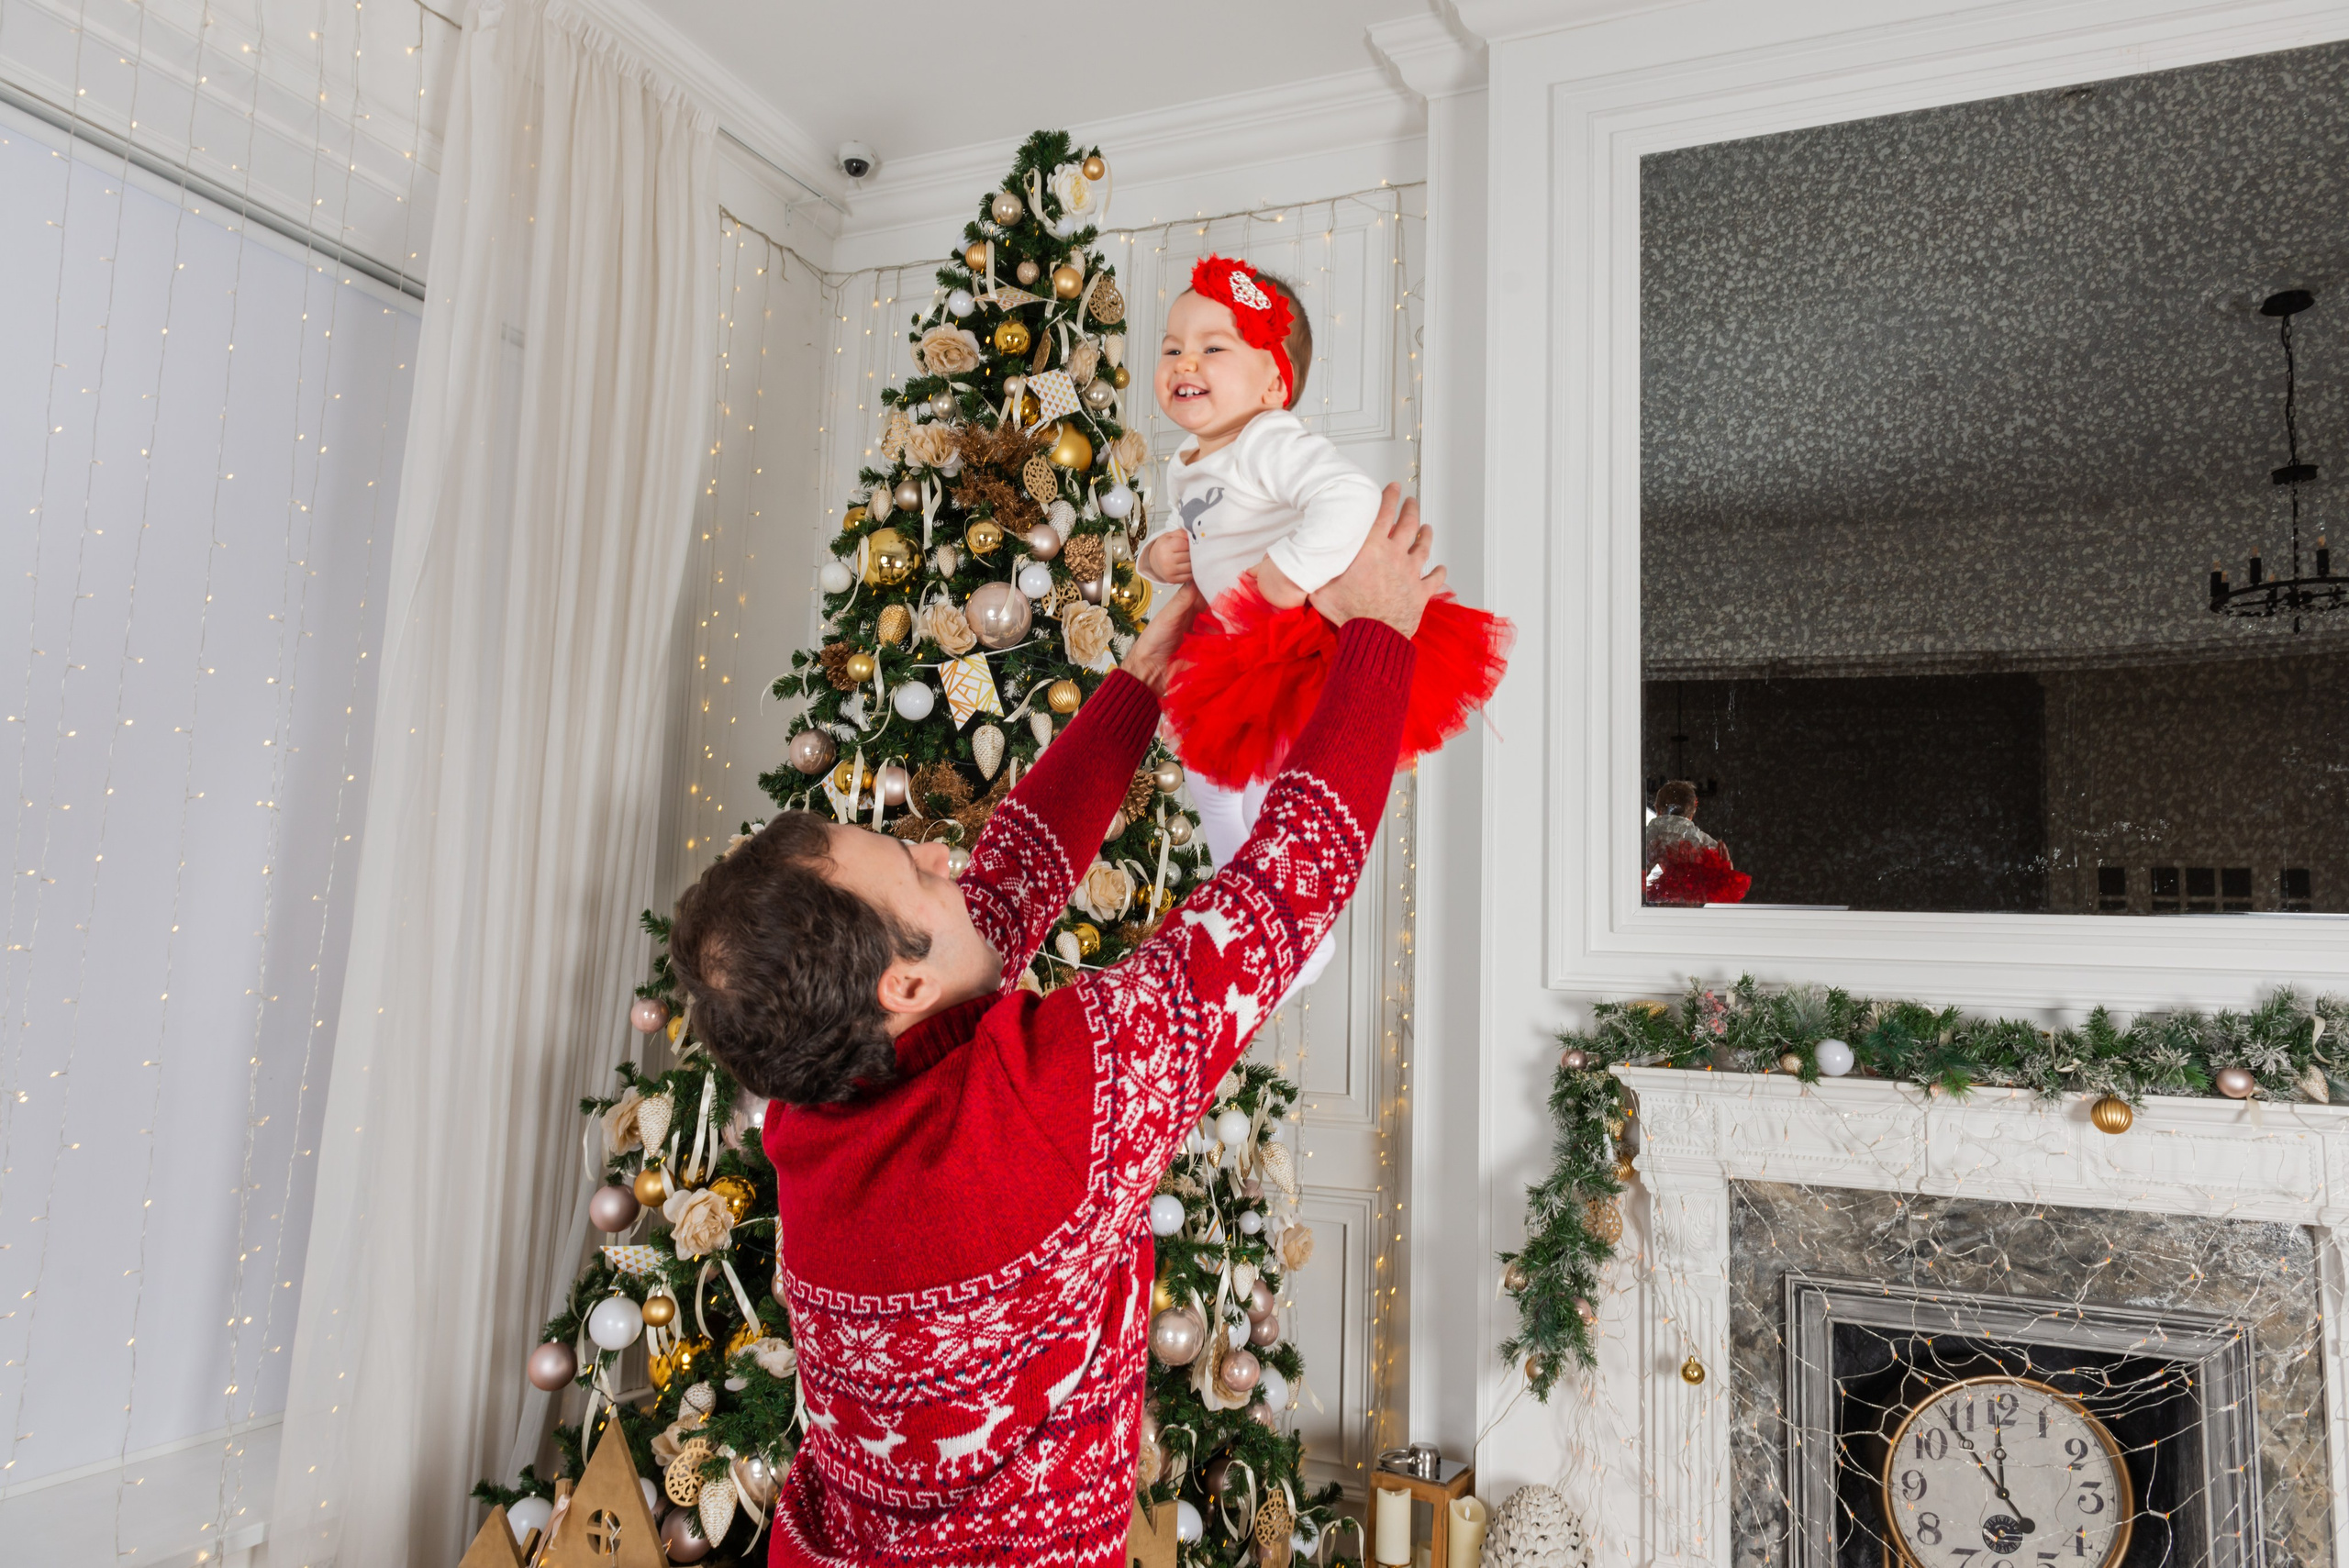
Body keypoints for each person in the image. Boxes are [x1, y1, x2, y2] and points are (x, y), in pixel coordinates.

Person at [665, 490, 1445, 1568]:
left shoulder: (821, 1084)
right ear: (900, 983)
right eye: (913, 870)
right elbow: (1282, 889)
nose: (941, 853)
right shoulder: (1037, 1110)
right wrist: (1381, 635)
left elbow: (1008, 878)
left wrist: (1147, 673)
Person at [1137, 255, 1510, 992]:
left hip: (1295, 637)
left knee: (1261, 791)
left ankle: (1293, 929)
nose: (1185, 361)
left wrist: (1286, 572)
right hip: (1235, 644)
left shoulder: (1269, 439)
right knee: (1222, 787)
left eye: (1214, 346)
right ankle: (1264, 917)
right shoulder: (1187, 461)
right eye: (1173, 346)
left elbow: (1347, 496)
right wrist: (1156, 553)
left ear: (1273, 385)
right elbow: (1194, 527)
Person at [1643, 779, 1750, 906]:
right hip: (1694, 895)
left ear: (1657, 808)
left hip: (1668, 894)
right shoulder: (1700, 838)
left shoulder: (1654, 831)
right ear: (1692, 812)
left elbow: (1640, 867)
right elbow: (1721, 879)